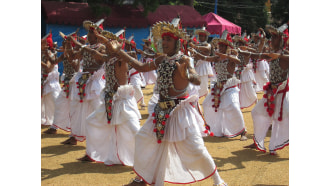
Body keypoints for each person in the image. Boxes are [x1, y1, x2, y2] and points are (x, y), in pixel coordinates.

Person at [104, 21, 227, 186]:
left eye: (169, 39)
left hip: (180, 112)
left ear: (177, 42)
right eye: (163, 39)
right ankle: (141, 178)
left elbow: (196, 78)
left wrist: (188, 75)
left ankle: (218, 181)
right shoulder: (161, 58)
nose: (165, 43)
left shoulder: (184, 59)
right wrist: (119, 51)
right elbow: (141, 66)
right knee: (142, 139)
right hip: (160, 111)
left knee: (196, 149)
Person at [71, 29, 142, 165]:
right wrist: (98, 42)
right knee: (91, 121)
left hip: (123, 100)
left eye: (111, 44)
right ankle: (92, 154)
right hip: (108, 99)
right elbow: (95, 53)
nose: (108, 46)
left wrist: (116, 46)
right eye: (107, 43)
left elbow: (129, 54)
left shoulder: (121, 58)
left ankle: (147, 158)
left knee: (135, 130)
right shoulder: (107, 58)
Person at [190, 30, 247, 141]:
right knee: (206, 104)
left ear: (227, 48)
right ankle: (215, 128)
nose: (219, 48)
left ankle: (242, 131)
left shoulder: (231, 58)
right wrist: (197, 54)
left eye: (222, 47)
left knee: (234, 107)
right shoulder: (216, 58)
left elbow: (238, 61)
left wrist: (226, 56)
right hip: (218, 87)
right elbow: (206, 58)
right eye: (219, 47)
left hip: (230, 87)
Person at [240, 24, 289, 155]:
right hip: (271, 92)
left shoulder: (286, 54)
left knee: (286, 119)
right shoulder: (272, 54)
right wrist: (245, 52)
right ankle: (258, 140)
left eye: (274, 38)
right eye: (271, 38)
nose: (271, 41)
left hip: (284, 93)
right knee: (256, 112)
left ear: (282, 40)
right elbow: (260, 55)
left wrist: (280, 56)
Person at [61, 19, 106, 144]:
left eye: (92, 33)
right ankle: (75, 136)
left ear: (97, 35)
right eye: (89, 33)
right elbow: (72, 58)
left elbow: (101, 58)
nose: (89, 35)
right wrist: (69, 45)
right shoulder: (85, 48)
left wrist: (84, 47)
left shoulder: (102, 47)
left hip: (95, 83)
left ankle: (101, 139)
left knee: (97, 110)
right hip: (82, 81)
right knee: (77, 109)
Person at [43, 30, 81, 135]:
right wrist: (46, 53)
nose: (62, 44)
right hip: (67, 84)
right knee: (60, 103)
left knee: (73, 107)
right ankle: (54, 127)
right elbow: (54, 62)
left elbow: (76, 68)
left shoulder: (75, 55)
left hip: (75, 84)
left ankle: (74, 132)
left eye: (65, 43)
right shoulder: (64, 54)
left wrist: (69, 57)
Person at [41, 31, 61, 127]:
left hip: (50, 82)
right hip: (42, 81)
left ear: (47, 45)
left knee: (53, 102)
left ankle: (56, 122)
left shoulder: (51, 54)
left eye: (42, 43)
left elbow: (48, 68)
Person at [232, 34, 258, 109]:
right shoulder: (236, 51)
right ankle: (239, 104)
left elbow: (255, 51)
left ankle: (256, 101)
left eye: (241, 44)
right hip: (239, 72)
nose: (239, 45)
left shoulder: (246, 51)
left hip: (246, 72)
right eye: (238, 43)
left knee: (250, 90)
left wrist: (246, 48)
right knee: (240, 90)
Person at [189, 27, 213, 98]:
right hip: (197, 65)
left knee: (204, 85)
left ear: (205, 37)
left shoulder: (207, 45)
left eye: (202, 36)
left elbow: (208, 48)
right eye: (200, 36)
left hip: (203, 66)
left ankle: (207, 99)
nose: (201, 37)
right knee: (196, 84)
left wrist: (196, 47)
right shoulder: (197, 44)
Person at [125, 35, 147, 110]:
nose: (126, 47)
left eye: (127, 45)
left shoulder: (133, 53)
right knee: (130, 89)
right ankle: (134, 103)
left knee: (137, 87)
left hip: (135, 73)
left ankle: (142, 102)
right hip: (129, 74)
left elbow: (135, 61)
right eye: (126, 45)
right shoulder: (124, 53)